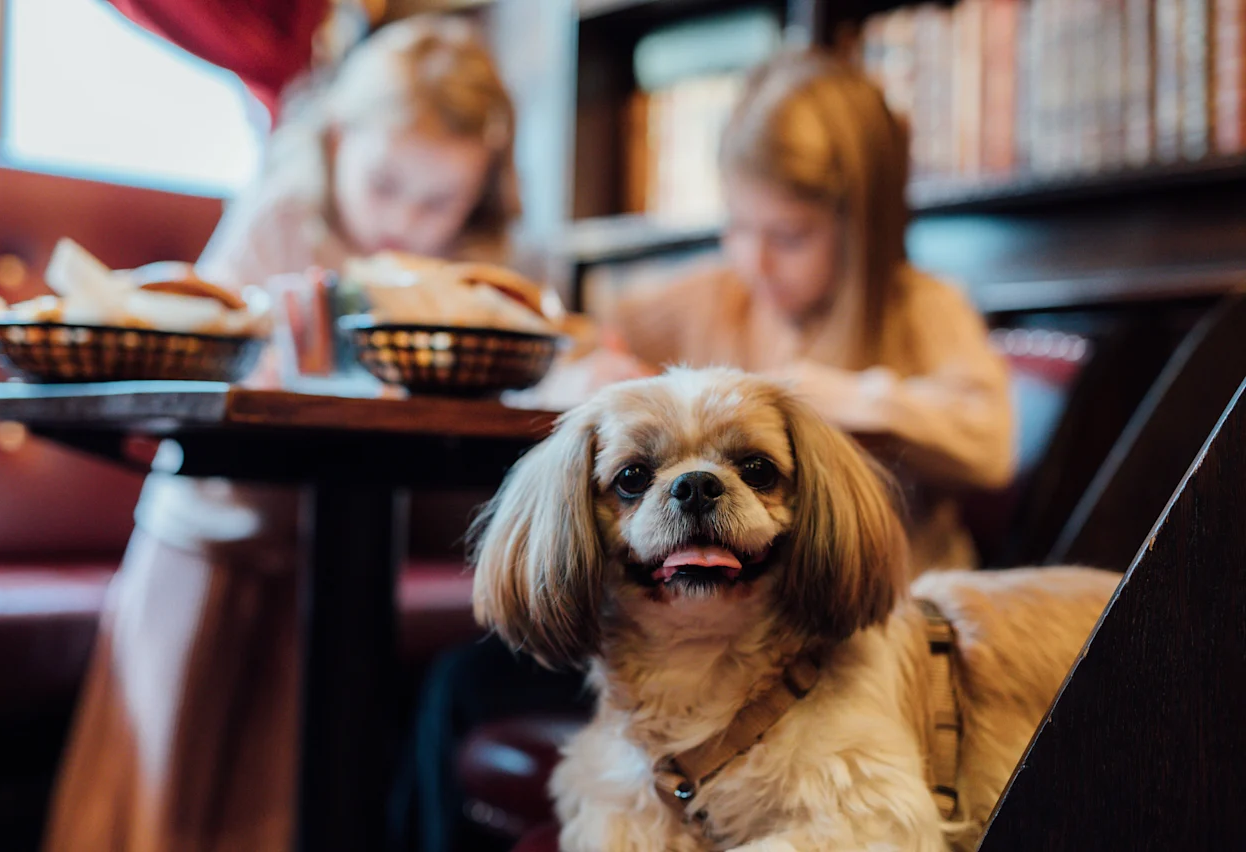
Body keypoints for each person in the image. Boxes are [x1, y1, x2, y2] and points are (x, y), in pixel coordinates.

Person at [409, 49, 1015, 852]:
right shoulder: (716, 292)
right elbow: (584, 337)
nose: (755, 259)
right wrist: (599, 369)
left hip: (838, 640)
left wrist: (818, 395)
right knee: (459, 680)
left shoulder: (921, 309)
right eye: (737, 226)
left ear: (859, 227)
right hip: (674, 653)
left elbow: (990, 439)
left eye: (788, 235)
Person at [42, 16, 523, 852]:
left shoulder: (466, 279)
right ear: (338, 145)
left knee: (299, 792)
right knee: (173, 796)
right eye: (386, 185)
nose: (404, 222)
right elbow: (200, 356)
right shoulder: (280, 224)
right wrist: (254, 368)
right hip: (214, 536)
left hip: (332, 554)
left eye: (439, 201)